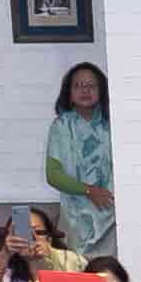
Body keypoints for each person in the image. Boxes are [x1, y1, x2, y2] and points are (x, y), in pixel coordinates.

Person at [41, 60, 116, 265]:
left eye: (91, 85)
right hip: (75, 216)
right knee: (77, 272)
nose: (85, 90)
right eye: (78, 85)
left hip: (111, 215)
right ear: (69, 92)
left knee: (110, 272)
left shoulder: (114, 123)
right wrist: (89, 190)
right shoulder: (61, 126)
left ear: (102, 90)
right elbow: (53, 175)